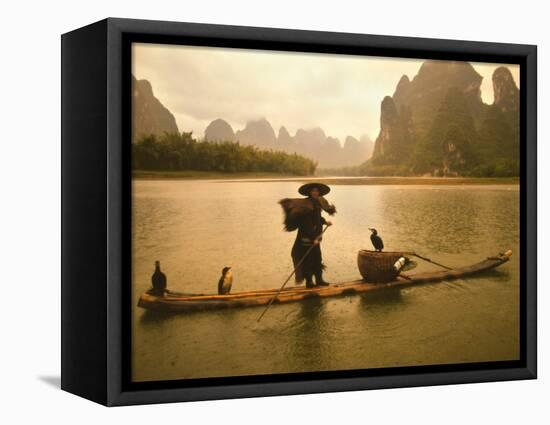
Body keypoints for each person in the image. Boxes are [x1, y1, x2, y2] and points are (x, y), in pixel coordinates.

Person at [279, 183, 336, 288]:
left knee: (317, 258)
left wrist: (325, 222)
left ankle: (319, 280)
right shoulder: (305, 205)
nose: (315, 192)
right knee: (308, 259)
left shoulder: (318, 203)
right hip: (306, 237)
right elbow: (305, 222)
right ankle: (309, 282)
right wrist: (312, 238)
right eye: (313, 191)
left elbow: (317, 217)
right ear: (310, 192)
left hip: (316, 237)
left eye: (317, 191)